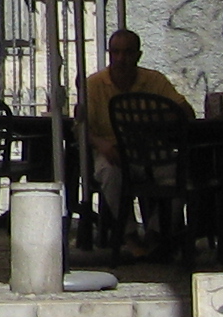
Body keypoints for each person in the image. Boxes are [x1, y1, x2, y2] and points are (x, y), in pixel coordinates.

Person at [81, 27, 190, 246]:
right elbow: (82, 126)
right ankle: (129, 234)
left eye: (128, 52)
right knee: (109, 174)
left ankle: (156, 233)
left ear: (138, 55)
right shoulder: (94, 84)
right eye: (116, 52)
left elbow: (185, 111)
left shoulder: (154, 80)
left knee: (184, 177)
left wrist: (158, 121)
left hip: (152, 153)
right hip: (113, 153)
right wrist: (101, 144)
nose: (121, 58)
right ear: (109, 54)